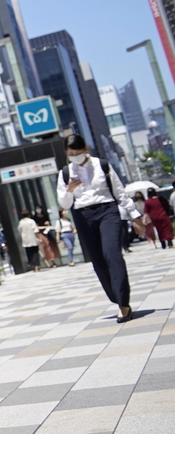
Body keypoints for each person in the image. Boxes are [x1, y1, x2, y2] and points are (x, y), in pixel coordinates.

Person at [57, 134, 144, 323]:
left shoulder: (102, 165)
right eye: (71, 153)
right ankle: (116, 297)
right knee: (98, 262)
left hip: (107, 211)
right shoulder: (65, 173)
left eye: (78, 152)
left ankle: (123, 304)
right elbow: (64, 204)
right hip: (82, 216)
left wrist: (135, 216)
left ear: (85, 149)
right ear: (66, 153)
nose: (75, 156)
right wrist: (69, 189)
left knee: (112, 253)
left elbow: (120, 192)